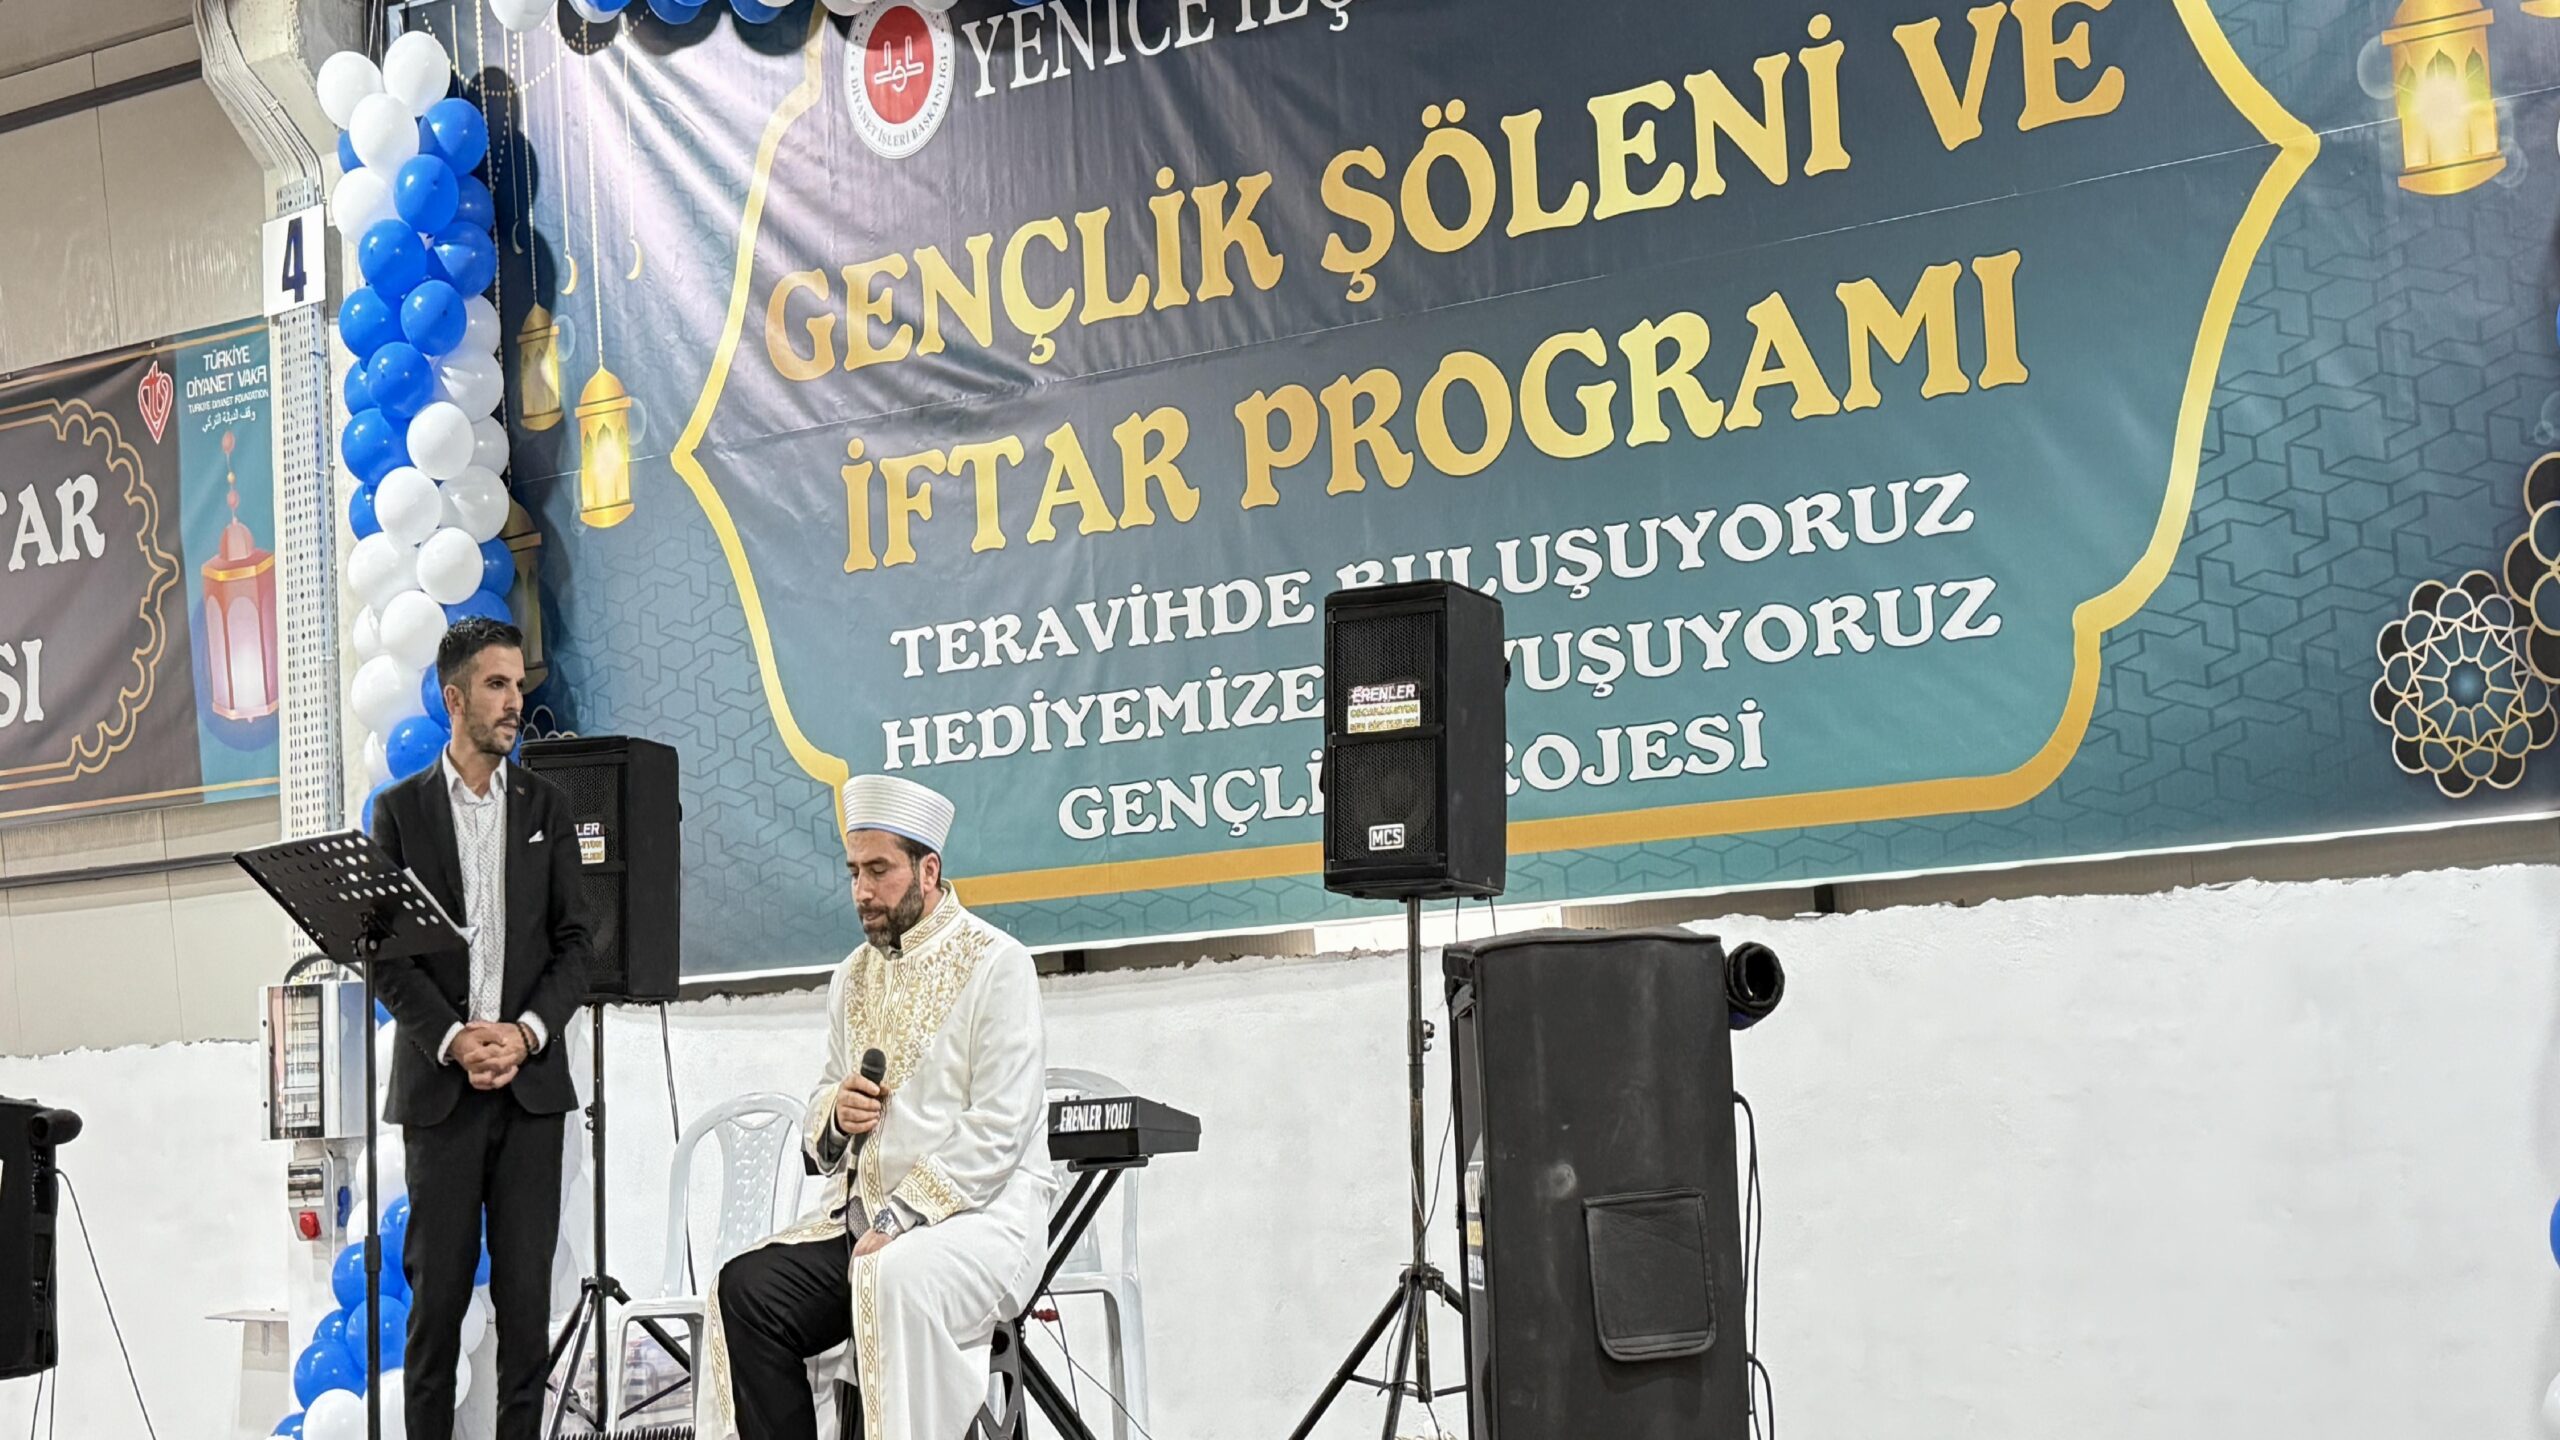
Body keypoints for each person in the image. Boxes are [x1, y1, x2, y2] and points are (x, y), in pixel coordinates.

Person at [711, 774, 1053, 1440]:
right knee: (746, 1290)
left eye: (879, 871)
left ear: (928, 870)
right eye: (854, 873)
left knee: (889, 1275)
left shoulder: (998, 964)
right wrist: (837, 1116)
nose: (862, 891)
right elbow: (823, 1098)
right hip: (862, 1225)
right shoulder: (852, 976)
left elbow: (1000, 1127)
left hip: (981, 1221)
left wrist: (904, 1215)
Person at [370, 617, 592, 1440]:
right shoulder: (400, 813)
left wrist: (525, 1033)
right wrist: (457, 1039)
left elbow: (578, 944)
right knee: (436, 1312)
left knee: (526, 1314)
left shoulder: (547, 807)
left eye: (518, 686)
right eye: (497, 685)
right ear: (454, 698)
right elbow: (384, 956)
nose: (514, 702)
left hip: (531, 1093)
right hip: (442, 1095)